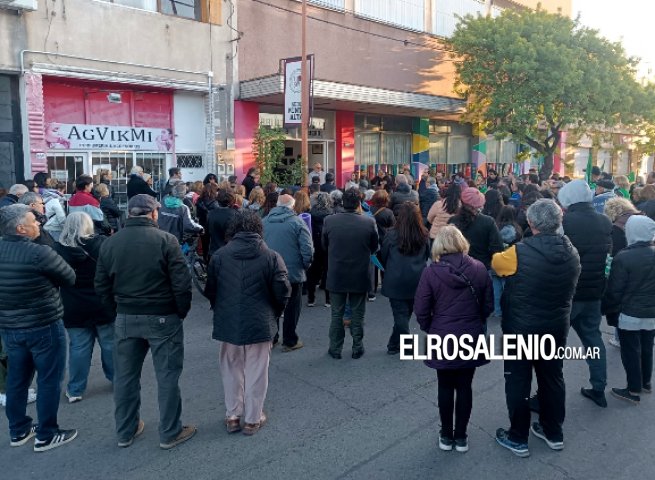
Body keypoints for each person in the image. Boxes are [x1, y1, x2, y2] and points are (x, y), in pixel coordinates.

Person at [95, 194, 196, 450]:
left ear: (129, 214)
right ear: (153, 214)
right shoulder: (166, 240)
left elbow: (101, 285)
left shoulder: (110, 243)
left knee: (126, 377)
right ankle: (170, 432)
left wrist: (115, 312)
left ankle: (125, 431)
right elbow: (181, 284)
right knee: (167, 376)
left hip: (126, 316)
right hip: (162, 315)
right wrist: (179, 312)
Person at [492, 199, 581, 457]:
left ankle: (517, 437)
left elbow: (497, 264)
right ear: (559, 221)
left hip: (521, 328)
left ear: (530, 223)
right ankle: (553, 431)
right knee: (552, 378)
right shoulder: (571, 251)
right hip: (555, 327)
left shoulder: (517, 253)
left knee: (518, 381)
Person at [204, 210, 291, 435]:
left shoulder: (220, 256)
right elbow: (282, 291)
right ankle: (253, 418)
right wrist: (275, 313)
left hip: (228, 319)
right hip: (260, 320)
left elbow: (211, 291)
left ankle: (233, 414)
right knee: (257, 370)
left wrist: (220, 309)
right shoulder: (272, 256)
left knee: (231, 368)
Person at [0, 204, 78, 451]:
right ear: (21, 228)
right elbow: (70, 278)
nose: (39, 224)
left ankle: (18, 429)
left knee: (17, 379)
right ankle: (46, 434)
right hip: (44, 324)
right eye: (34, 221)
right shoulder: (39, 253)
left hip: (10, 327)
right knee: (48, 380)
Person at [414, 225, 493, 452]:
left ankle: (446, 434)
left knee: (445, 385)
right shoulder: (478, 268)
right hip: (470, 331)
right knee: (465, 386)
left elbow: (421, 308)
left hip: (443, 332)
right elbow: (488, 305)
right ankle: (461, 436)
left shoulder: (431, 272)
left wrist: (431, 327)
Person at [558, 179, 612, 408]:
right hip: (594, 291)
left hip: (569, 292)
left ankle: (547, 393)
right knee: (593, 339)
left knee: (554, 346)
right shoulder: (604, 221)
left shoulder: (566, 222)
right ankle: (599, 386)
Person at [53, 212, 114, 403]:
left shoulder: (58, 249)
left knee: (79, 348)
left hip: (73, 305)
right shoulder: (102, 243)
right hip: (102, 302)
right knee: (110, 344)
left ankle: (75, 389)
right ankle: (118, 380)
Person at [603, 216, 655, 404]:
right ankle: (645, 382)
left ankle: (632, 389)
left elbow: (614, 290)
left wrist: (608, 310)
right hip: (652, 313)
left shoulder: (624, 256)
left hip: (629, 313)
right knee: (647, 346)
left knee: (630, 350)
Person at [322, 189, 379, 359]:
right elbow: (374, 247)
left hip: (337, 272)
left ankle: (335, 348)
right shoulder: (368, 223)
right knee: (358, 313)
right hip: (359, 273)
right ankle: (357, 347)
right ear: (358, 203)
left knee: (336, 313)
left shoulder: (329, 221)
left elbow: (325, 245)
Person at [262, 194, 313, 351]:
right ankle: (290, 340)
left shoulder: (263, 222)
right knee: (292, 307)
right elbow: (307, 249)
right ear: (292, 206)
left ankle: (273, 337)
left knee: (272, 305)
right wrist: (305, 265)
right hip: (292, 271)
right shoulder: (298, 222)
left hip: (269, 271)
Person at [380, 203, 430, 355]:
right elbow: (427, 255)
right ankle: (395, 344)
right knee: (406, 313)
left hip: (396, 278)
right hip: (417, 279)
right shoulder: (424, 234)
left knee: (400, 314)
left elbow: (384, 255)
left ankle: (403, 345)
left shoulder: (391, 234)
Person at [448, 187, 503, 270]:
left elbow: (446, 247)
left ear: (461, 202)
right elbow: (497, 248)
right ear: (479, 205)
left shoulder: (452, 221)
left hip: (457, 267)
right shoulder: (488, 222)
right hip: (482, 267)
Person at [307, 192, 333, 307]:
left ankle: (311, 299)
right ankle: (328, 299)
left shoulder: (310, 213)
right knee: (328, 271)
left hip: (314, 245)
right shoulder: (331, 214)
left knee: (312, 272)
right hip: (328, 247)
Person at [208, 189, 239, 256]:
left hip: (214, 252)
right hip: (229, 254)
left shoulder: (211, 214)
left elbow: (207, 234)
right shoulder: (236, 214)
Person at [196, 183, 219, 261]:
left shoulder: (199, 200)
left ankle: (206, 261)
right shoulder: (215, 202)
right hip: (213, 225)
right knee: (213, 244)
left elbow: (198, 214)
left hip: (202, 225)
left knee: (205, 244)